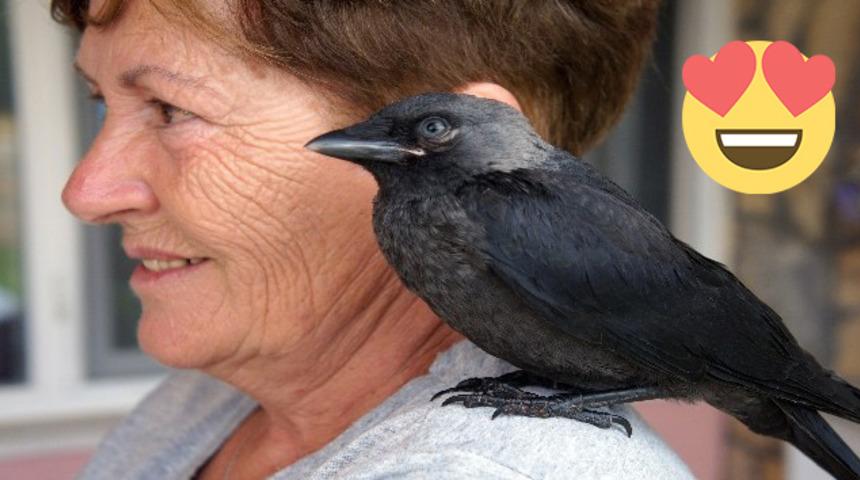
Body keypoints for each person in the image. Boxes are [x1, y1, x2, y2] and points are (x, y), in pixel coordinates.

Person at [54, 0, 692, 478]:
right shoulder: (207, 401)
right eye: (100, 101)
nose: (86, 191)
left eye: (170, 109)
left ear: (444, 145)